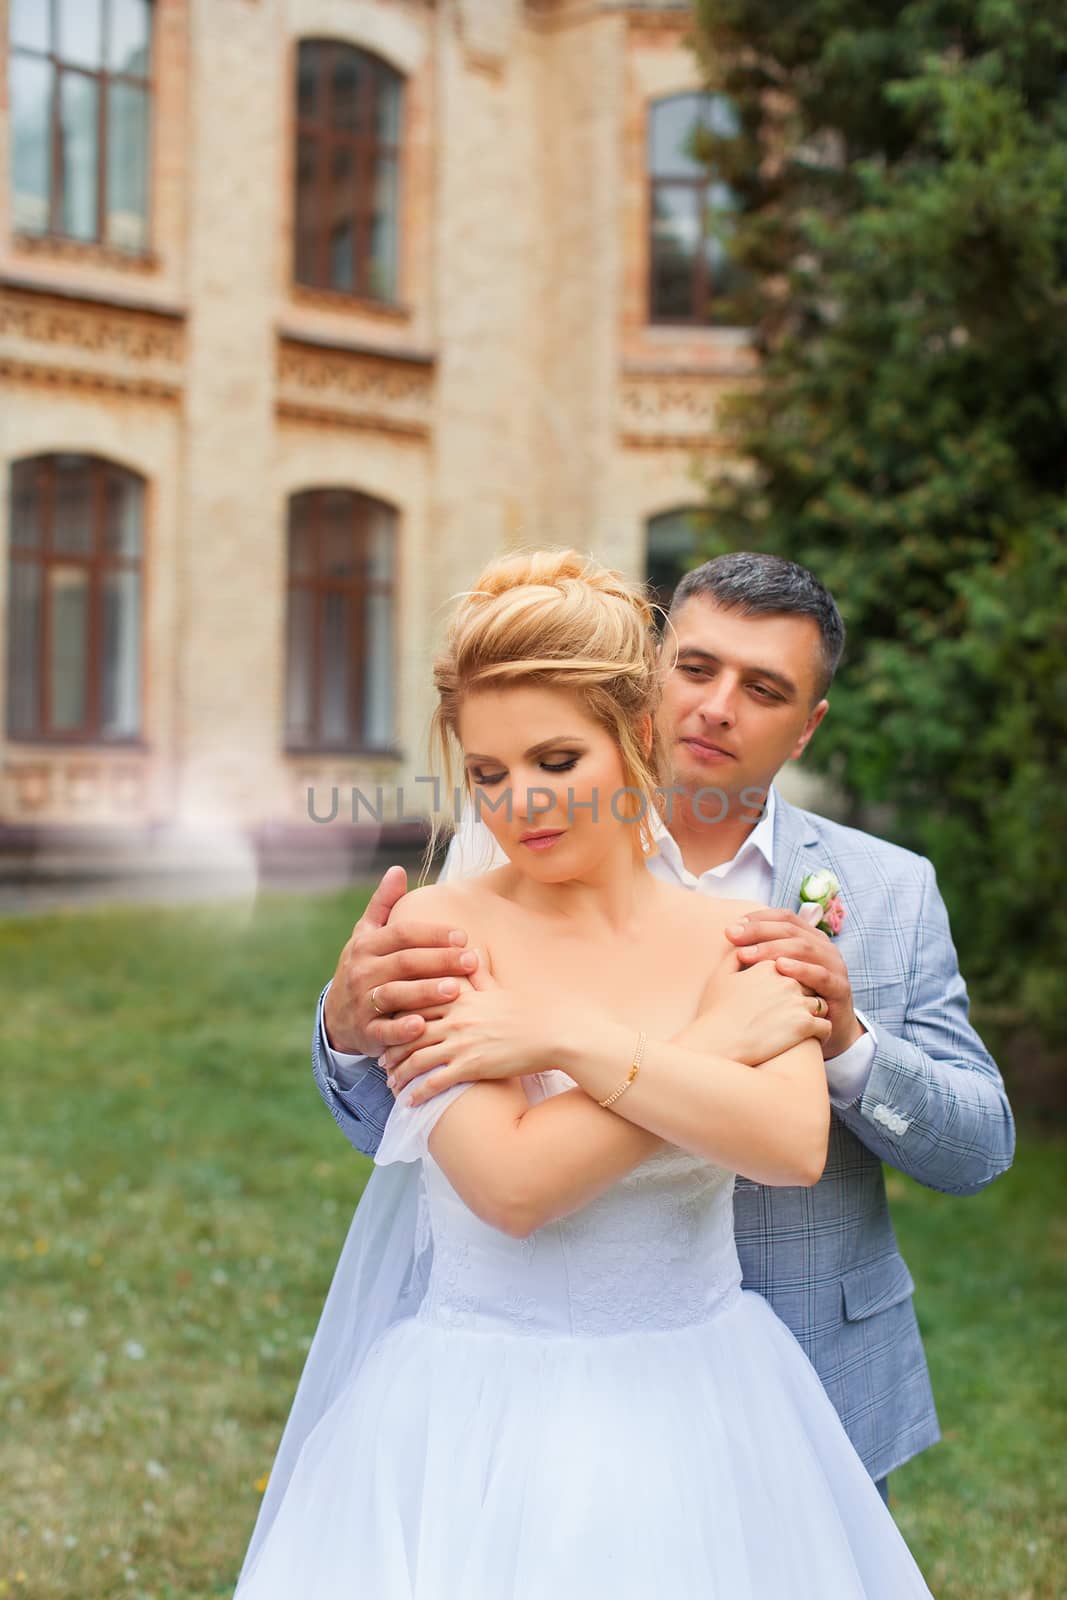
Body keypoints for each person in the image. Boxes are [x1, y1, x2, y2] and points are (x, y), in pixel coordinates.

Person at [235, 550, 948, 1597]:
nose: (519, 802)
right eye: (486, 773)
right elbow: (513, 1187)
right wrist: (695, 1044)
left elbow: (791, 1144)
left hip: (707, 1401)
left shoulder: (742, 933)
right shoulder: (440, 929)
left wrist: (566, 1046)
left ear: (639, 736)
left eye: (556, 759)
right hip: (482, 1409)